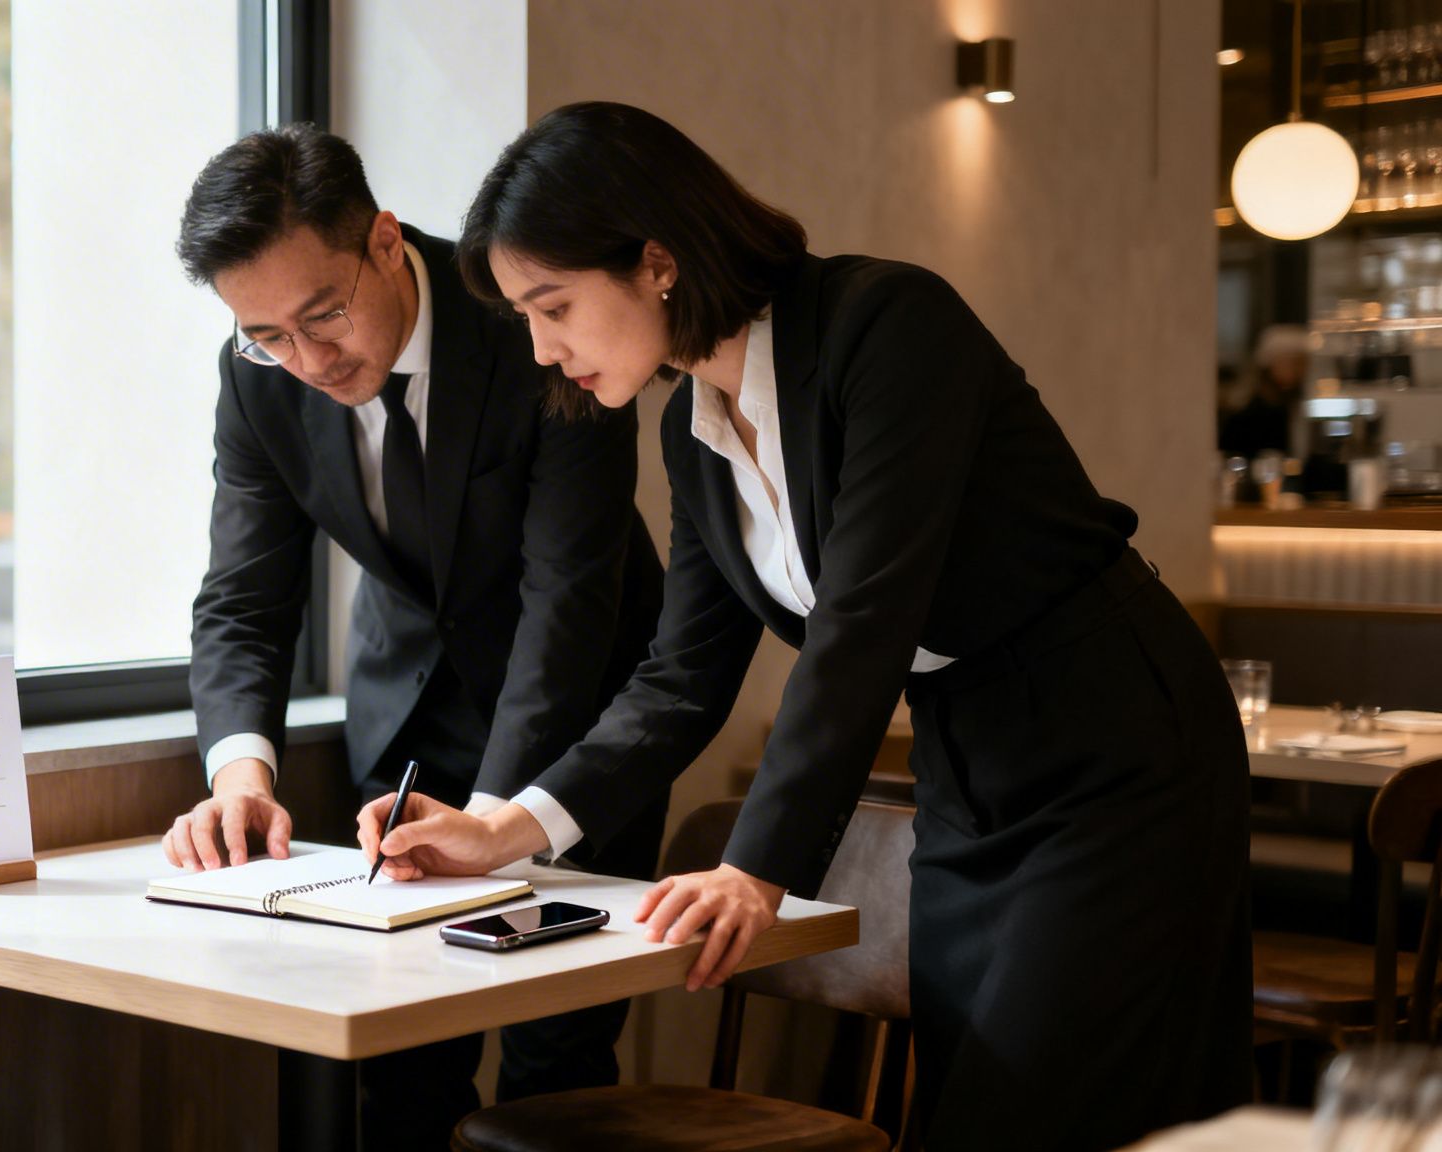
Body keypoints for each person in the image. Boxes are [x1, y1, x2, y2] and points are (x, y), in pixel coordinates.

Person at [360, 102, 1252, 1151]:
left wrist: (756, 868)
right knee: (970, 1091)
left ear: (654, 261)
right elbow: (678, 677)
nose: (543, 350)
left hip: (1113, 739)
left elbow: (864, 620)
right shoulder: (694, 434)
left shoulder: (886, 325)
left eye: (551, 307)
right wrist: (507, 826)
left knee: (1046, 1110)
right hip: (966, 765)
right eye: (522, 319)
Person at [163, 123, 667, 1151]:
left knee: (551, 1070)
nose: (305, 361)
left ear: (386, 241)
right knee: (396, 1068)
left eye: (323, 315)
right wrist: (238, 777)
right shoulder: (258, 372)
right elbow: (243, 596)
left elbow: (567, 595)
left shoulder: (532, 317)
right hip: (405, 731)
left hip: (572, 736)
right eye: (266, 335)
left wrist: (496, 824)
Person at [1218, 323, 1309, 464]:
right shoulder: (1246, 418)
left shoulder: (1295, 408)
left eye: (1304, 363)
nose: (1301, 370)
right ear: (1270, 363)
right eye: (1295, 362)